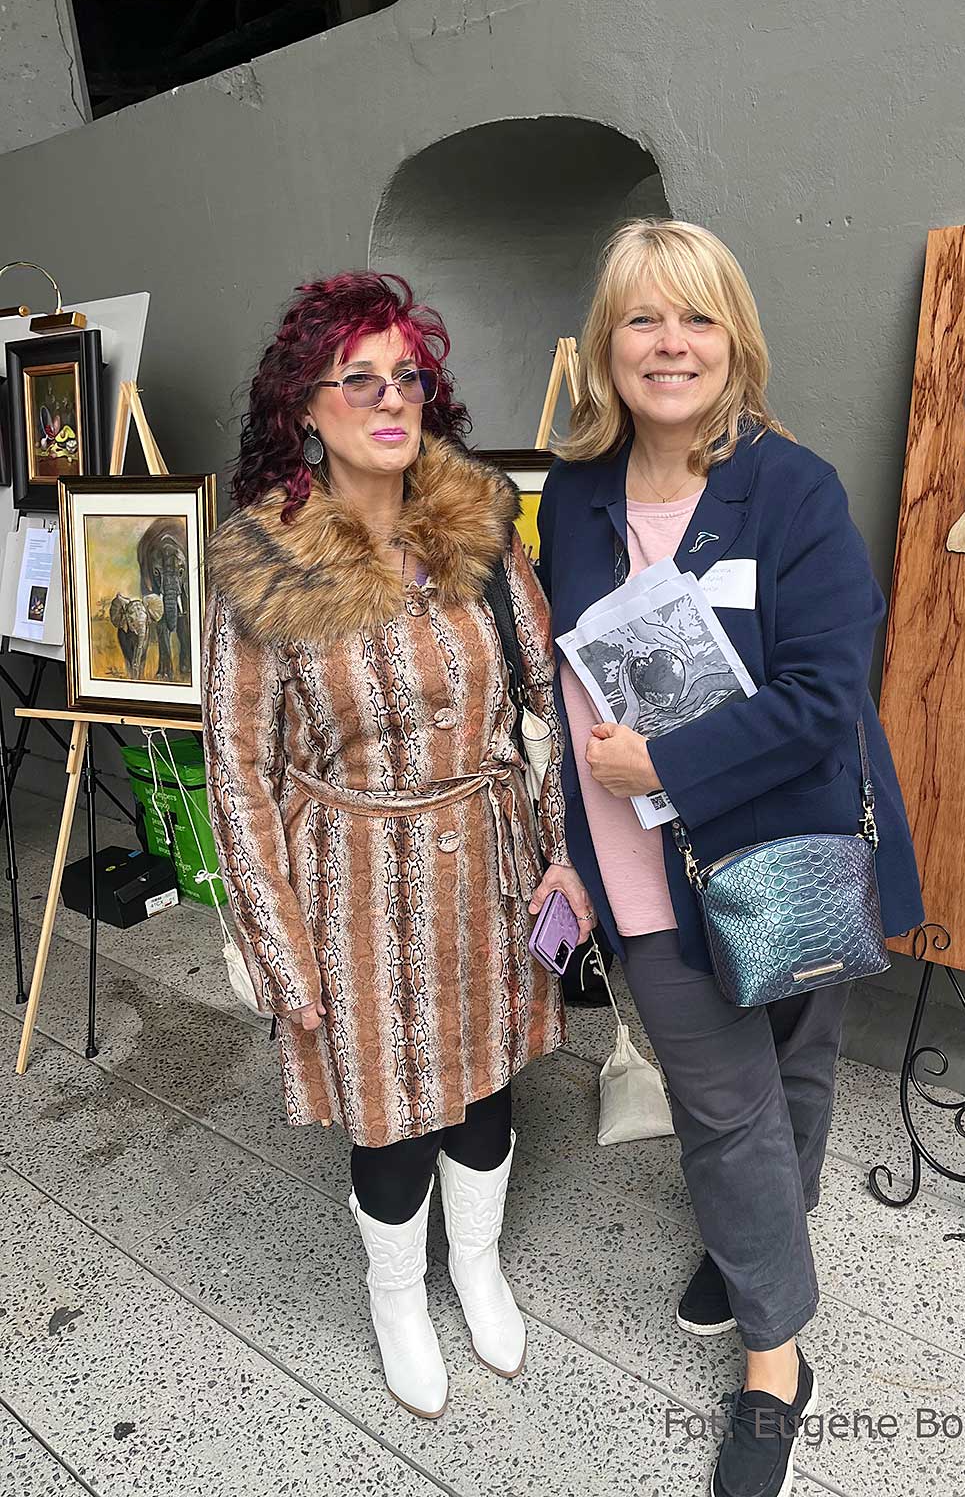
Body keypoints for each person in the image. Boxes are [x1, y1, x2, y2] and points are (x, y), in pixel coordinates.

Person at [537, 221, 923, 1497]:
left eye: (696, 317)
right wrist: (570, 843)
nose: (671, 344)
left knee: (796, 1070)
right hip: (640, 865)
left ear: (734, 339)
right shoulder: (576, 494)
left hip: (784, 853)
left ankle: (763, 1246)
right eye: (642, 318)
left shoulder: (792, 489)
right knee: (724, 1106)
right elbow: (564, 679)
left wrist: (671, 763)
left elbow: (828, 693)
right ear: (607, 344)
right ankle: (776, 1363)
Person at [202, 271, 593, 1420]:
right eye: (358, 378)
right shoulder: (265, 566)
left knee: (484, 1091)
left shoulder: (477, 530)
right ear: (303, 408)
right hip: (353, 885)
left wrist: (565, 851)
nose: (389, 398)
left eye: (406, 376)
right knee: (393, 1115)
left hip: (488, 861)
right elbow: (238, 771)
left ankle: (475, 1264)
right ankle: (396, 1298)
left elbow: (548, 693)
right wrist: (281, 948)